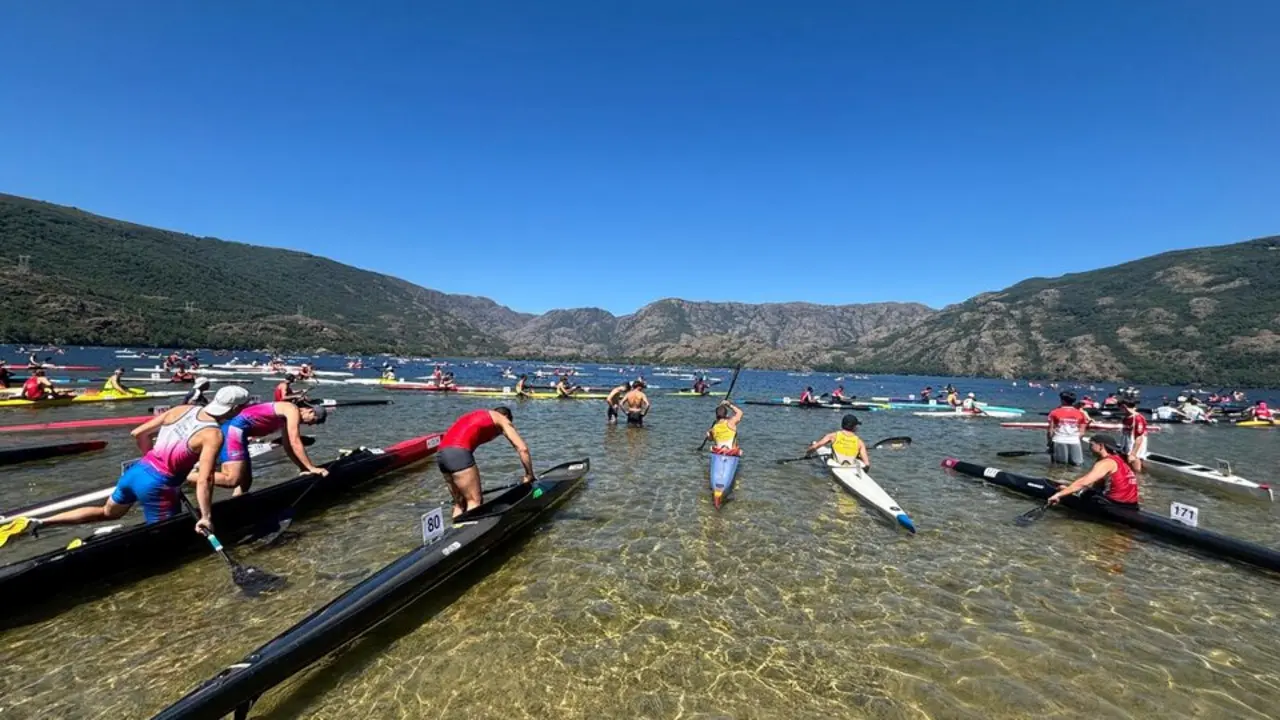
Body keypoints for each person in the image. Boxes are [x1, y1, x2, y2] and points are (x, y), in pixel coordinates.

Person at [29, 386, 250, 533]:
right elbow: (205, 480)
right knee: (164, 539)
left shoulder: (182, 409)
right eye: (243, 407)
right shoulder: (213, 434)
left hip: (136, 472)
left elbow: (139, 434)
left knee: (107, 513)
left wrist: (152, 460)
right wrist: (206, 516)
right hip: (159, 486)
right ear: (235, 408)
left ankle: (42, 522)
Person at [209, 398, 329, 496]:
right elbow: (295, 441)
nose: (309, 424)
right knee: (231, 480)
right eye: (313, 421)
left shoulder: (286, 418)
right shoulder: (292, 409)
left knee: (245, 482)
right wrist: (311, 467)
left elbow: (288, 446)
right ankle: (193, 476)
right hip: (233, 430)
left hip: (240, 434)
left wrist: (303, 468)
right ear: (310, 411)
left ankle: (235, 506)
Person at [437, 407, 534, 518]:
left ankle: (456, 531)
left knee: (460, 504)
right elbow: (522, 449)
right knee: (474, 502)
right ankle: (472, 533)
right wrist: (529, 475)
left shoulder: (480, 415)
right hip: (458, 453)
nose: (500, 434)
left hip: (441, 455)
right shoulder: (503, 419)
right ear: (507, 417)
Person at [1047, 434, 1140, 509]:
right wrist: (1070, 489)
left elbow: (1083, 482)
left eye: (1091, 445)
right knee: (1087, 491)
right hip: (1132, 504)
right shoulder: (1119, 459)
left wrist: (1059, 495)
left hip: (1115, 504)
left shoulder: (1105, 463)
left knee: (1083, 494)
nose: (1089, 448)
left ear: (1101, 446)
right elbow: (1097, 485)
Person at [1047, 392, 1090, 466]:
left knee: (1059, 466)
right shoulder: (1081, 414)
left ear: (1062, 400)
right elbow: (1082, 432)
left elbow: (1050, 431)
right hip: (1075, 441)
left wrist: (1049, 443)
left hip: (1058, 440)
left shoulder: (1054, 412)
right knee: (1077, 465)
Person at [1119, 400, 1149, 472]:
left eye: (1120, 408)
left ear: (1124, 407)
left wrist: (1133, 454)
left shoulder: (1137, 418)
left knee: (1135, 462)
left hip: (1135, 444)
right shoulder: (1126, 418)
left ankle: (1138, 479)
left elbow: (1139, 438)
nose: (1120, 410)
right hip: (1128, 443)